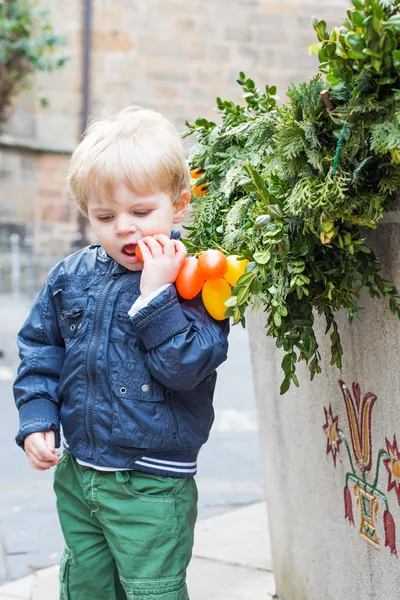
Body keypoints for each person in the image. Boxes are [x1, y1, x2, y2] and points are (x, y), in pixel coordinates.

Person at [13, 107, 229, 600]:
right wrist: (38, 418)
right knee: (86, 583)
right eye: (106, 217)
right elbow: (41, 350)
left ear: (177, 205)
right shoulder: (72, 276)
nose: (125, 229)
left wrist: (156, 298)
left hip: (151, 486)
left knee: (151, 590)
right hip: (80, 472)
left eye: (141, 212)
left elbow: (187, 370)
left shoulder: (196, 281)